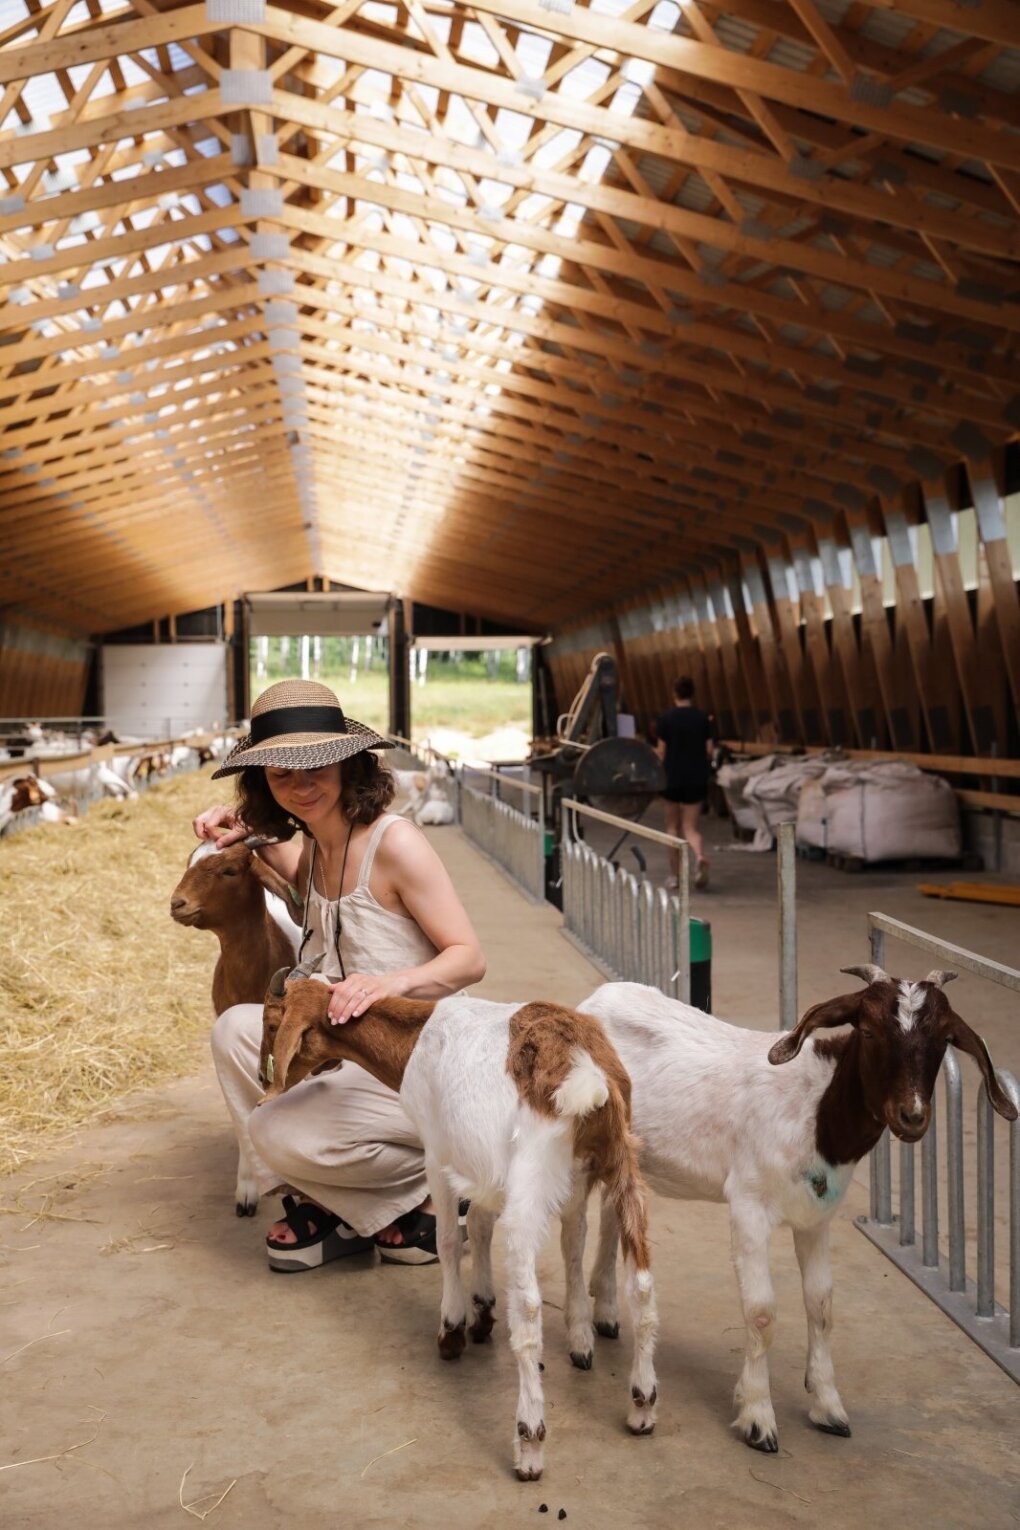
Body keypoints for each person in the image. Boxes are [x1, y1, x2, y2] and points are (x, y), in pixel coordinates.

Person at [194, 679, 486, 1270]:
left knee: (276, 1132)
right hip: (345, 1046)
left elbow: (469, 958)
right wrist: (239, 831)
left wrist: (389, 982)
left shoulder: (395, 844)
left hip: (410, 1054)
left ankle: (440, 1187)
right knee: (233, 1031)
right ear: (264, 785)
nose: (302, 787)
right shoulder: (313, 851)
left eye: (316, 768)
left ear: (348, 765)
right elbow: (294, 888)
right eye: (281, 775)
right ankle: (333, 1208)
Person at [654, 676, 715, 891]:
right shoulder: (702, 719)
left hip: (672, 778)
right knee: (691, 827)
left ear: (674, 694)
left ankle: (675, 876)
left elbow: (661, 752)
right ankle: (698, 856)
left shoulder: (666, 719)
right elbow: (709, 750)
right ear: (693, 694)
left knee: (672, 827)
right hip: (696, 777)